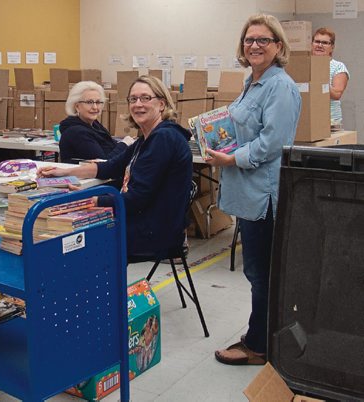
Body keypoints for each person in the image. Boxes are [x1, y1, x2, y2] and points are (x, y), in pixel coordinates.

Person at [208, 14, 301, 365]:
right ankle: (259, 331)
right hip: (248, 196)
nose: (255, 45)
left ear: (278, 46)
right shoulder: (254, 82)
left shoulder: (280, 86)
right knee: (257, 272)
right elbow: (245, 130)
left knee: (261, 274)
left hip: (263, 197)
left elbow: (273, 143)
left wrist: (232, 160)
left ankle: (258, 347)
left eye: (263, 40)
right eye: (249, 40)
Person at [38, 75, 192, 257]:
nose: (138, 104)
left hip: (156, 231)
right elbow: (110, 167)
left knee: (72, 241)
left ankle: (100, 285)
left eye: (145, 98)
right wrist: (64, 171)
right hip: (147, 220)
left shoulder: (163, 138)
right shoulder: (147, 138)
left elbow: (137, 198)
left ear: (161, 104)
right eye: (133, 99)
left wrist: (88, 201)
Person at [59, 81, 134, 164]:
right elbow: (103, 163)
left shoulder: (94, 125)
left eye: (98, 102)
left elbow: (110, 147)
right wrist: (124, 144)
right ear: (77, 106)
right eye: (89, 102)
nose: (95, 107)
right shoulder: (77, 132)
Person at [311, 27, 349, 129]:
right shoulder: (305, 65)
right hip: (308, 120)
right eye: (317, 42)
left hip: (330, 122)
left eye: (324, 43)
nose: (319, 45)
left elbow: (337, 94)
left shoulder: (338, 66)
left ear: (332, 47)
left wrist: (319, 80)